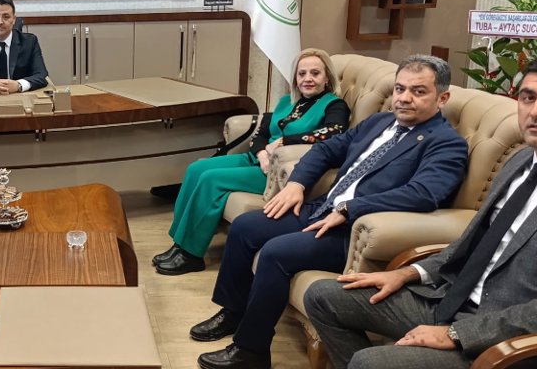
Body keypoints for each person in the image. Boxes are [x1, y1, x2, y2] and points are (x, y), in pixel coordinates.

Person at [192, 55, 470, 369]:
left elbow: (423, 194)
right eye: (399, 88)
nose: (404, 98)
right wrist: (296, 184)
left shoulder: (447, 144)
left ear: (442, 98)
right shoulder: (379, 122)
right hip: (321, 208)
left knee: (275, 253)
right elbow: (326, 149)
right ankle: (233, 313)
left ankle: (251, 351)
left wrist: (350, 208)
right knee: (245, 227)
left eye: (418, 91)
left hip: (351, 230)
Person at [303, 56, 537, 369]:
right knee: (322, 296)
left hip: (503, 336)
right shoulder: (519, 162)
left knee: (369, 362)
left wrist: (458, 333)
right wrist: (407, 273)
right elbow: (474, 244)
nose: (536, 111)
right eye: (528, 97)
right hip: (448, 298)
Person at [154, 48, 352, 276]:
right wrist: (261, 154)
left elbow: (333, 133)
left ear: (327, 78)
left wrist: (285, 141)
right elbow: (262, 132)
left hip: (278, 172)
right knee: (196, 169)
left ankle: (191, 255)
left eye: (315, 73)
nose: (308, 79)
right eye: (302, 73)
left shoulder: (334, 105)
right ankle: (179, 244)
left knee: (210, 179)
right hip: (259, 160)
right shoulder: (287, 101)